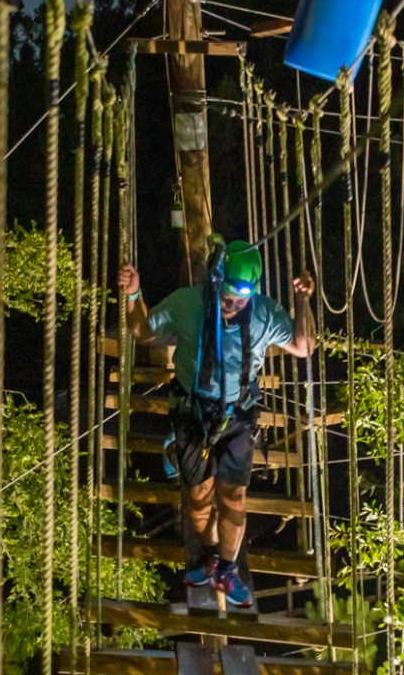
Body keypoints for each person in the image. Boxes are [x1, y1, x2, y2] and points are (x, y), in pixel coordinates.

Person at [118, 240, 315, 608]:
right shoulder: (187, 304)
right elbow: (142, 332)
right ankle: (209, 553)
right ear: (214, 281)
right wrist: (134, 294)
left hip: (238, 415)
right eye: (228, 296)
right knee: (198, 497)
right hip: (192, 413)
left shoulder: (264, 314)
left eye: (241, 300)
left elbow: (304, 346)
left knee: (234, 495)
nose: (233, 305)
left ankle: (227, 568)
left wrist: (302, 300)